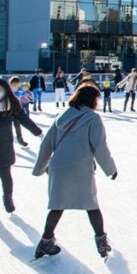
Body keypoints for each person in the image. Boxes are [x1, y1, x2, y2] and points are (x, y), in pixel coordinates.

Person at [31, 85, 117, 260]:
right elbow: (100, 146)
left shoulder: (61, 115)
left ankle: (46, 241)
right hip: (80, 167)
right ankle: (101, 241)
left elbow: (46, 144)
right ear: (92, 100)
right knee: (91, 204)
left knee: (57, 205)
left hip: (58, 167)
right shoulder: (93, 118)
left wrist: (40, 168)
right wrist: (110, 169)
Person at [0, 79, 42, 213]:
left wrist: (38, 133)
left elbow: (25, 120)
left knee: (6, 175)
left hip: (4, 147)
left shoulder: (12, 104)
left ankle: (8, 198)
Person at [10, 78, 34, 147]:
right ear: (11, 84)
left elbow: (27, 96)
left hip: (16, 111)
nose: (16, 86)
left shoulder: (20, 91)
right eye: (14, 85)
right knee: (6, 128)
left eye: (17, 85)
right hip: (7, 112)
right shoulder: (7, 91)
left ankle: (20, 141)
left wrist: (31, 100)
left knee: (17, 126)